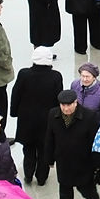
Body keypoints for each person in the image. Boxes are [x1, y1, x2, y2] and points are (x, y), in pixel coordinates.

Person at [45, 88, 100, 199]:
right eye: (62, 105)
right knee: (64, 191)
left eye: (69, 105)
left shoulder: (89, 117)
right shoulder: (53, 114)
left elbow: (96, 142)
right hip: (63, 161)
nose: (65, 108)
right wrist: (49, 159)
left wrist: (98, 163)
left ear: (76, 102)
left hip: (83, 163)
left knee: (87, 190)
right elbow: (49, 137)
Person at [9, 45, 63, 186]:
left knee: (28, 149)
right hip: (47, 121)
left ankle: (28, 174)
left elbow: (16, 94)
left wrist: (14, 112)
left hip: (27, 120)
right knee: (45, 150)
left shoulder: (24, 74)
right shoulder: (56, 76)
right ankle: (41, 177)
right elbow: (59, 101)